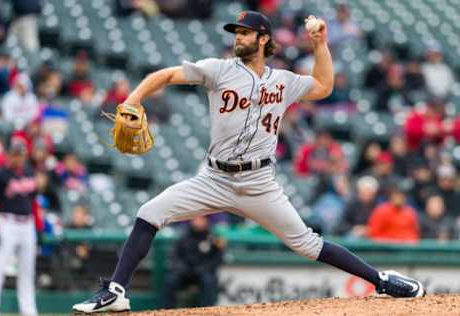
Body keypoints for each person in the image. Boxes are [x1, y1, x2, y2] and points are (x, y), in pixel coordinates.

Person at [72, 11, 424, 313]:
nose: (237, 38)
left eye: (244, 33)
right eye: (236, 33)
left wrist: (319, 45)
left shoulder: (282, 81)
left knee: (307, 244)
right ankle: (116, 292)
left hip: (259, 183)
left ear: (263, 39)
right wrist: (133, 99)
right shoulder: (218, 70)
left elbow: (323, 86)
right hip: (213, 178)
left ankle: (381, 280)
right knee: (149, 213)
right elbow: (164, 75)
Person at [0, 141, 44, 316]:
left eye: (21, 154)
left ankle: (29, 310)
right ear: (9, 155)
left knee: (27, 271)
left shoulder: (30, 172)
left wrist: (38, 227)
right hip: (6, 223)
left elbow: (34, 202)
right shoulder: (0, 174)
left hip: (27, 225)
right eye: (15, 154)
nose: (18, 157)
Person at [162, 216, 224, 308]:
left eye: (201, 219)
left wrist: (204, 268)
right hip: (185, 271)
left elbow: (217, 258)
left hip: (203, 271)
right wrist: (183, 268)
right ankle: (167, 310)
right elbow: (175, 256)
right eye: (195, 219)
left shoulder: (213, 237)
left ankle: (207, 311)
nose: (197, 222)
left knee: (209, 281)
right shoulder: (184, 236)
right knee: (170, 280)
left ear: (206, 221)